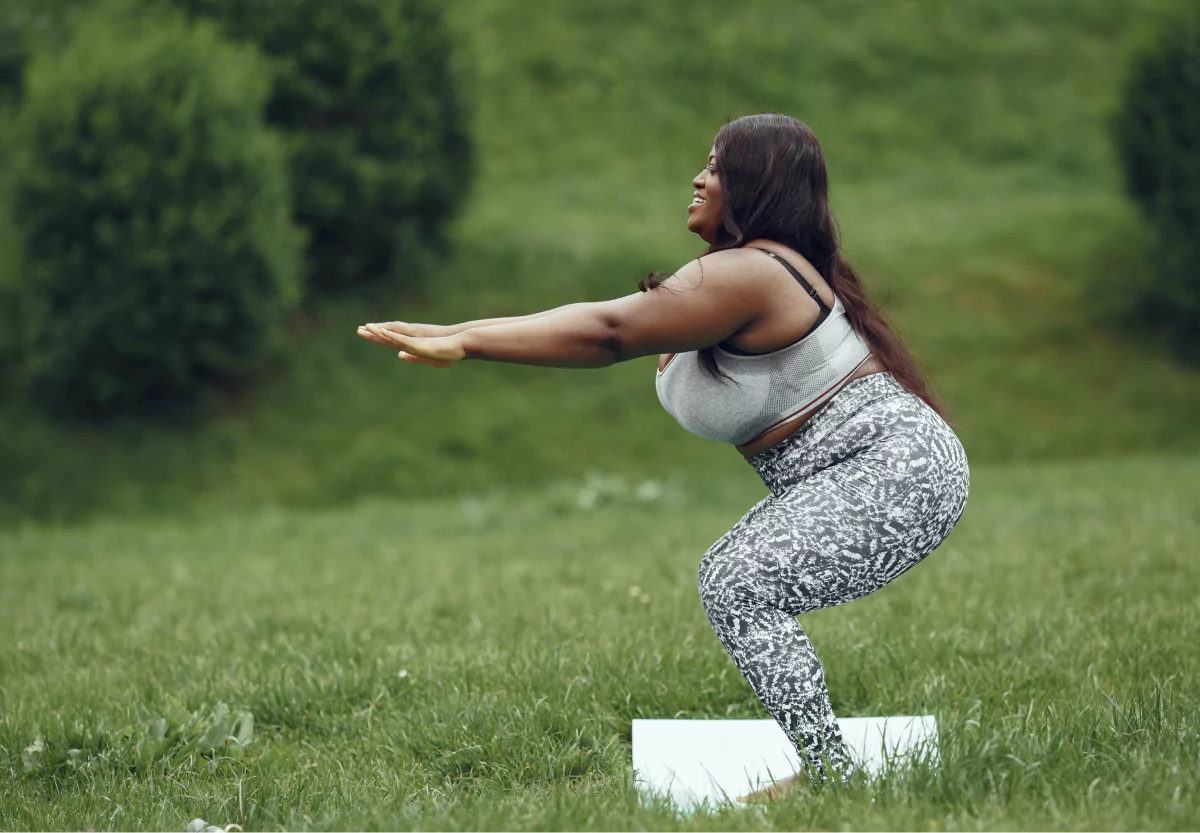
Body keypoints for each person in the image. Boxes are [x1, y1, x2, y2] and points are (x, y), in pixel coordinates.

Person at [357, 113, 970, 799]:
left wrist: (466, 341)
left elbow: (609, 332)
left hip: (896, 468)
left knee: (737, 582)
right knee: (738, 582)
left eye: (715, 166)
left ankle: (829, 775)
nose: (698, 178)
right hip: (892, 469)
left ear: (755, 183)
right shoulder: (746, 274)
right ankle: (830, 768)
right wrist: (458, 331)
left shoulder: (753, 273)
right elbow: (613, 322)